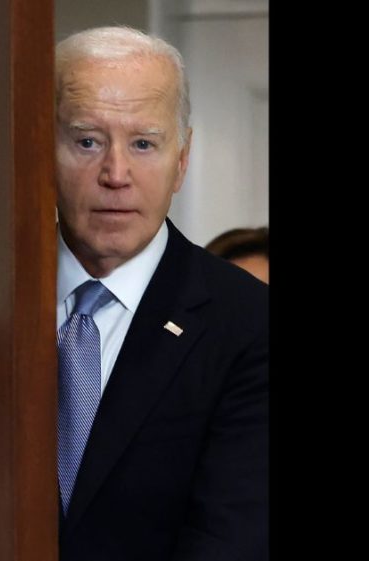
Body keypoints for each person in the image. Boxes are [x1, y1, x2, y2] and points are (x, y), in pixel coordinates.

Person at [53, 26, 268, 560]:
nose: (116, 174)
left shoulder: (248, 324)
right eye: (87, 141)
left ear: (183, 159)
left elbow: (230, 540)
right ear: (40, 145)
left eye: (144, 143)